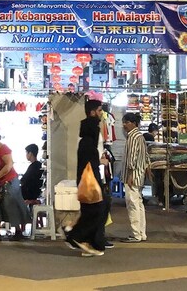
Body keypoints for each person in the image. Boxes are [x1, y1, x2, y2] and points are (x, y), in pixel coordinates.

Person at [65, 100, 107, 257]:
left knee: (93, 211)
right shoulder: (89, 140)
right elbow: (90, 165)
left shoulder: (86, 138)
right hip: (89, 181)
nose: (101, 113)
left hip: (88, 179)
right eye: (99, 110)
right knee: (96, 210)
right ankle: (77, 236)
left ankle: (87, 242)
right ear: (92, 112)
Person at [0, 127, 31, 241]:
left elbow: (9, 165)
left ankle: (18, 231)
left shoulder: (3, 148)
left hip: (9, 183)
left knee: (11, 206)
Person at [121, 112, 150, 243]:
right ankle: (141, 233)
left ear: (133, 123)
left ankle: (136, 234)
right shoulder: (140, 136)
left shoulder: (133, 136)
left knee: (132, 204)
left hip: (132, 176)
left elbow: (132, 157)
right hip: (139, 175)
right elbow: (145, 155)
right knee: (138, 204)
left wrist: (130, 175)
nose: (124, 125)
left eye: (126, 122)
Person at [20, 143, 44, 234]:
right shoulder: (38, 165)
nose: (26, 155)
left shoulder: (33, 166)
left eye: (26, 153)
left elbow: (24, 180)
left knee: (14, 197)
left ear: (30, 153)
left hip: (30, 193)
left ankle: (19, 224)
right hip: (35, 192)